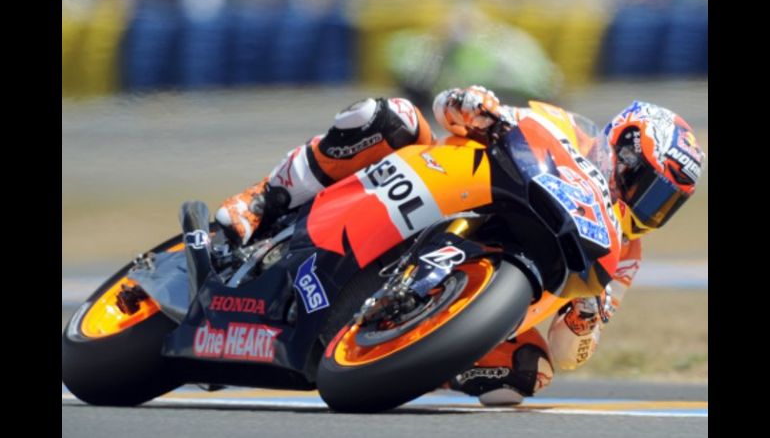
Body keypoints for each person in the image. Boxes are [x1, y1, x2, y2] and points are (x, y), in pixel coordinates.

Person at [214, 86, 704, 406]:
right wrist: (472, 105)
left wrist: (585, 315)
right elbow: (453, 111)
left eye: (666, 203)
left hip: (506, 269)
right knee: (389, 117)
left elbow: (573, 354)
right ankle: (262, 199)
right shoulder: (563, 126)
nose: (650, 208)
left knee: (527, 376)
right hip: (449, 194)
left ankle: (414, 354)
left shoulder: (624, 256)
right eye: (649, 186)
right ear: (622, 149)